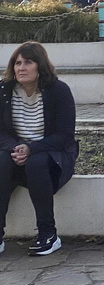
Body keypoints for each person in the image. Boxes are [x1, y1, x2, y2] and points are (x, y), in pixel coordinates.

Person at [0, 42, 78, 256]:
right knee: (1, 160)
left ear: (40, 66)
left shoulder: (58, 91)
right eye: (17, 63)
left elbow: (65, 135)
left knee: (36, 162)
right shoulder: (4, 90)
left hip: (52, 157)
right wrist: (17, 148)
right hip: (16, 153)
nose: (21, 68)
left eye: (28, 62)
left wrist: (31, 149)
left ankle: (48, 234)